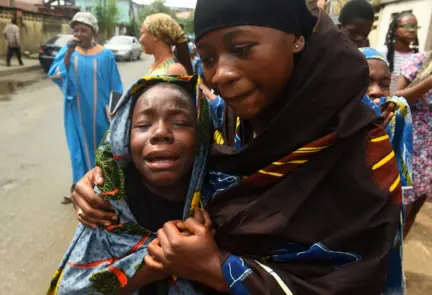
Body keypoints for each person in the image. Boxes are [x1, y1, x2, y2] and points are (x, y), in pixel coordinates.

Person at [70, 1, 402, 294]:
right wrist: (102, 180)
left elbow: (355, 279)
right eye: (209, 58)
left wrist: (216, 268)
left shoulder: (360, 148)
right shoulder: (222, 119)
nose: (220, 75)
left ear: (297, 38)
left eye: (241, 48)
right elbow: (153, 149)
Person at [47, 75, 214, 294]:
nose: (161, 132)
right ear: (123, 139)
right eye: (143, 124)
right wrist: (154, 266)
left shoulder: (219, 200)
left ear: (202, 135)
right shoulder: (106, 205)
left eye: (180, 122)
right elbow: (73, 290)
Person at [48, 12, 123, 204]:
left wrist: (115, 112)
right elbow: (55, 73)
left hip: (100, 113)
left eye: (84, 30)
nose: (79, 34)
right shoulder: (68, 51)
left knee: (101, 150)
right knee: (77, 150)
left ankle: (103, 189)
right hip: (75, 111)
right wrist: (67, 56)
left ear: (93, 32)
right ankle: (79, 189)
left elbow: (116, 85)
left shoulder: (106, 55)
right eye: (76, 30)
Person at [360, 47, 414, 295]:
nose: (377, 92)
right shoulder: (321, 131)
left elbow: (400, 190)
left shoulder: (393, 122)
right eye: (365, 82)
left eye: (385, 84)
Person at [395, 51, 431, 238]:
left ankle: (396, 255)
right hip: (416, 142)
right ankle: (383, 256)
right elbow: (398, 97)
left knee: (417, 205)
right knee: (401, 204)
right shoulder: (421, 61)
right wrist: (428, 82)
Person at [378, 12, 420, 93]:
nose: (412, 30)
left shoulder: (417, 58)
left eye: (415, 27)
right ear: (395, 30)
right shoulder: (381, 53)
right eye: (407, 26)